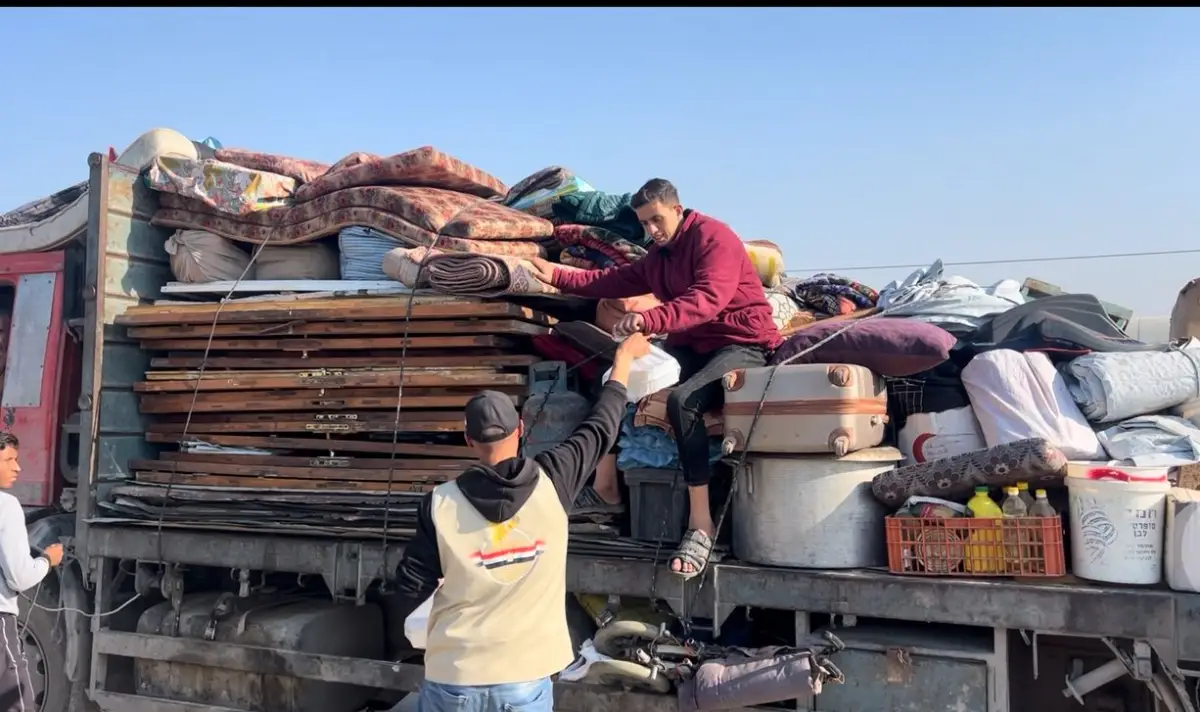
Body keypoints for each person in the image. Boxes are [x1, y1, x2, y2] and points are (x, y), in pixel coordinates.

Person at [529, 178, 782, 580]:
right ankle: (607, 488)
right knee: (611, 379)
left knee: (684, 402)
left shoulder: (714, 238)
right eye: (645, 223)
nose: (652, 230)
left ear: (678, 210)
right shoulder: (661, 254)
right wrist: (554, 274)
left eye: (657, 220)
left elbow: (707, 298)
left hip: (742, 340)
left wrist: (649, 319)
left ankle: (701, 524)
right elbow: (613, 281)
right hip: (694, 342)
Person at [387, 334, 650, 712]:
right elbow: (601, 426)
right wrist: (623, 359)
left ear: (468, 440)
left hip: (454, 677)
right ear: (522, 430)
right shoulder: (555, 478)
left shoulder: (439, 503)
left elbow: (409, 589)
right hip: (524, 679)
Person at [0, 432, 62, 712]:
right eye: (10, 459)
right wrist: (48, 560)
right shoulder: (7, 506)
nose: (18, 467)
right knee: (16, 702)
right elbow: (20, 576)